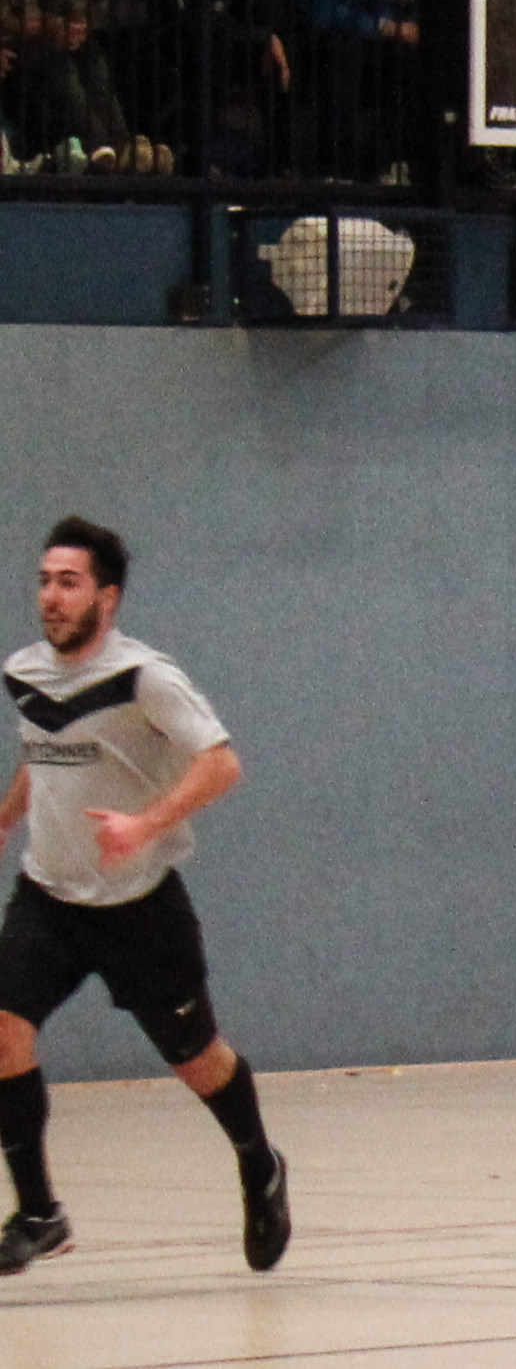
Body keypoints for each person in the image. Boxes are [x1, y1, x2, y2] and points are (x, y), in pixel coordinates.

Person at [0, 518, 291, 1275]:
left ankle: (259, 1161)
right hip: (48, 898)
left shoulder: (145, 677)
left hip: (138, 906)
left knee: (198, 1059)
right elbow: (44, 751)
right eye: (44, 581)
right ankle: (39, 1212)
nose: (51, 596)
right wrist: (4, 819)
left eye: (69, 582)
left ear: (108, 596)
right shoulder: (24, 672)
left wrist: (145, 823)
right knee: (3, 1028)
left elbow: (220, 765)